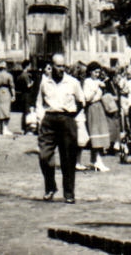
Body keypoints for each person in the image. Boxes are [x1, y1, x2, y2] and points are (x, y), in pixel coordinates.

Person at [36, 53, 84, 203]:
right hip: (49, 120)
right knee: (44, 156)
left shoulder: (73, 82)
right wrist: (40, 119)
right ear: (51, 66)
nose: (61, 69)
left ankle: (69, 193)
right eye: (58, 66)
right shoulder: (45, 83)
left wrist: (71, 116)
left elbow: (81, 101)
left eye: (63, 66)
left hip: (67, 119)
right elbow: (39, 103)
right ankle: (50, 187)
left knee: (68, 158)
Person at [81, 63, 113, 172]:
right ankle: (98, 161)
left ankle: (95, 161)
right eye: (95, 72)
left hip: (99, 107)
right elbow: (87, 98)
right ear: (90, 72)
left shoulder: (98, 82)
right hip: (92, 108)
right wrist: (96, 88)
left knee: (101, 133)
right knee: (96, 134)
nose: (97, 74)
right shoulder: (87, 82)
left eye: (99, 72)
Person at [0, 61, 16, 136]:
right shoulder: (9, 76)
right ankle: (5, 129)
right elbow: (12, 87)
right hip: (6, 93)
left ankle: (0, 129)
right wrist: (13, 95)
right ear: (5, 68)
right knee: (6, 111)